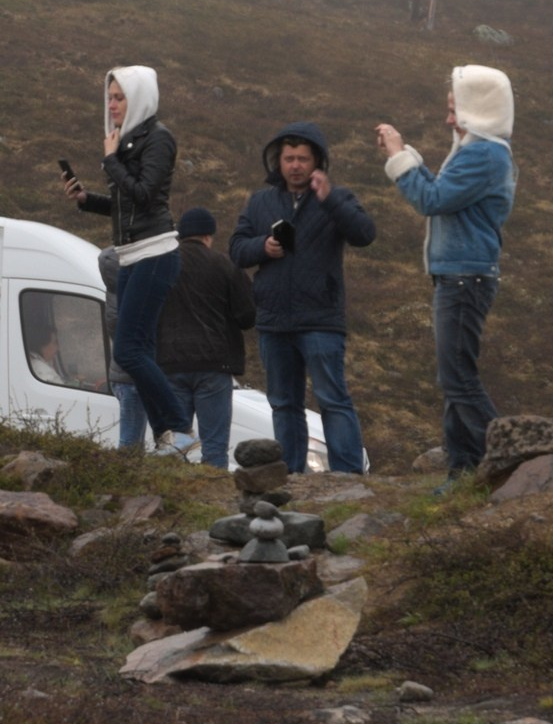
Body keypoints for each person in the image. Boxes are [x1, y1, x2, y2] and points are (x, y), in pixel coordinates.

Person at [377, 65, 516, 485]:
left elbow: (430, 198)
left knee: (458, 378)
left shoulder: (484, 154)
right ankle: (463, 471)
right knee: (453, 375)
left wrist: (399, 154)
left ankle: (514, 456)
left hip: (465, 276)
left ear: (481, 111)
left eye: (456, 110)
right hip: (459, 274)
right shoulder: (479, 151)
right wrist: (410, 158)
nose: (448, 119)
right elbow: (441, 192)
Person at [60, 65, 195, 456]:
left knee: (128, 351)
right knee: (139, 352)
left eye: (120, 98)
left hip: (155, 253)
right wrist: (86, 200)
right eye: (110, 97)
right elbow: (125, 205)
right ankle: (170, 439)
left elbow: (144, 194)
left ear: (138, 99)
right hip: (133, 255)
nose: (112, 104)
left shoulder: (158, 139)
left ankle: (180, 428)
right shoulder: (128, 140)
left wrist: (109, 161)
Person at [229, 124, 376, 473]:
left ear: (317, 162)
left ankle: (347, 475)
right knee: (283, 403)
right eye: (288, 158)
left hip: (321, 320)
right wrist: (262, 247)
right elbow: (236, 249)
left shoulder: (336, 198)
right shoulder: (261, 201)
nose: (295, 165)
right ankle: (291, 474)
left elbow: (364, 234)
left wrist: (332, 199)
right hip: (274, 320)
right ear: (278, 162)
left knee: (333, 400)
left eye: (302, 159)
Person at [156, 207, 258, 468]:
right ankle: (214, 504)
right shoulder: (224, 265)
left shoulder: (161, 265)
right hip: (215, 365)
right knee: (214, 446)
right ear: (208, 236)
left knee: (173, 447)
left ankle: (173, 499)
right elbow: (248, 316)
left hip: (170, 363)